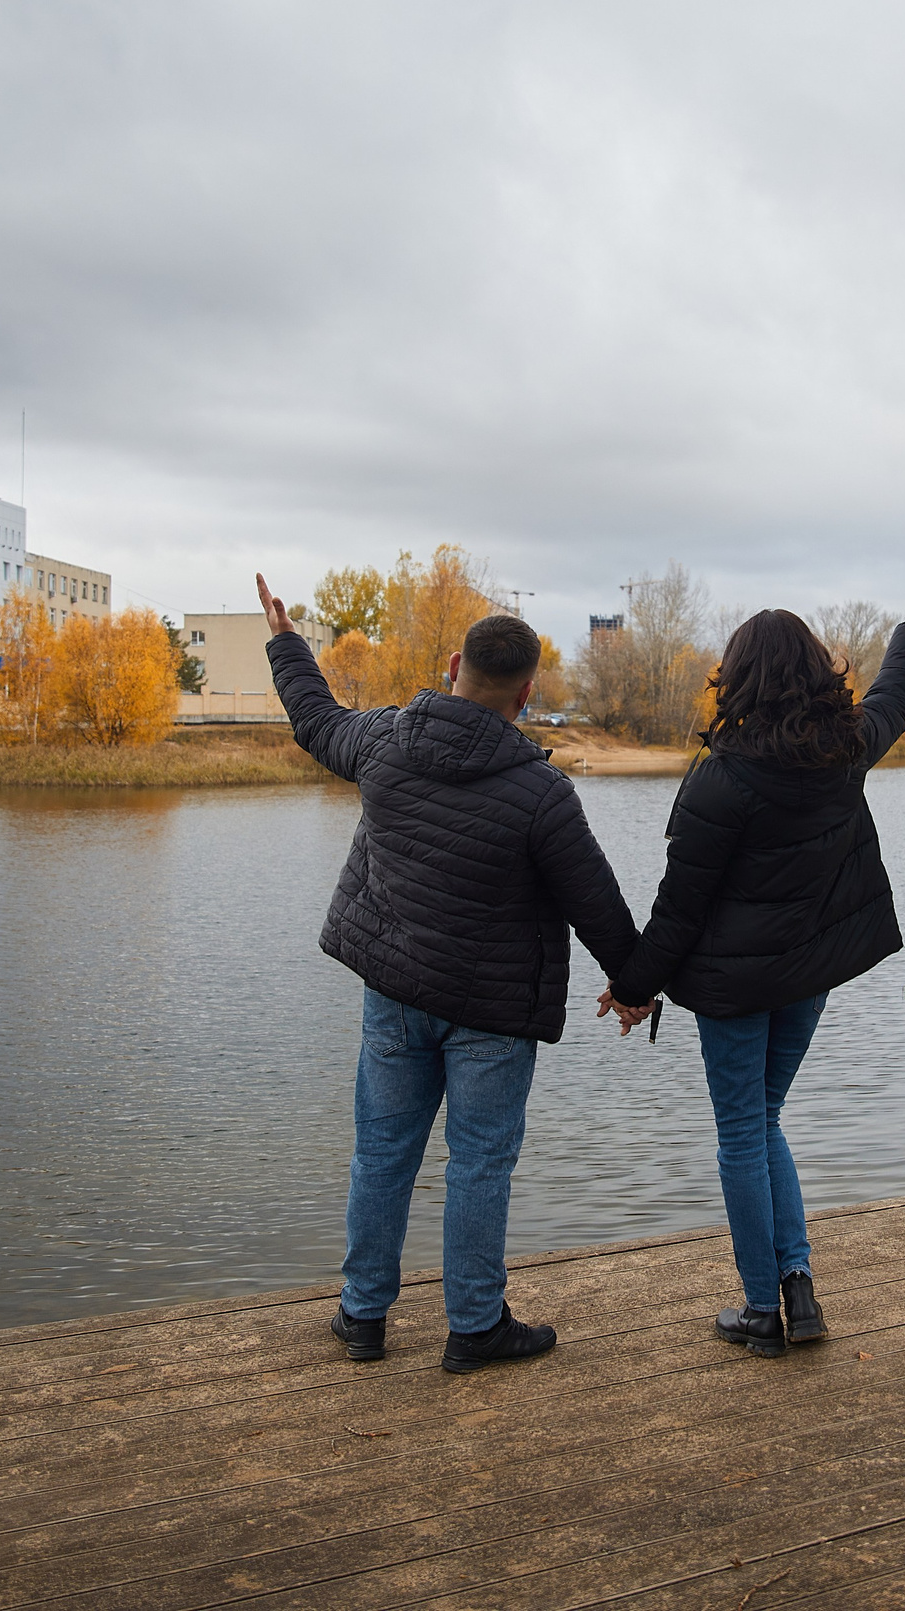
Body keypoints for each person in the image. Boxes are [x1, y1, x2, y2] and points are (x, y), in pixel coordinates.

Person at [258, 574, 643, 1373]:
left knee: (383, 1150)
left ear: (451, 663)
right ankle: (473, 1326)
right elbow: (599, 907)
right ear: (527, 693)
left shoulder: (385, 739)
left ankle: (362, 1315)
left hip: (396, 993)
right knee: (479, 1161)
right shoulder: (543, 794)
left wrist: (287, 641)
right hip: (492, 1016)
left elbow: (313, 718)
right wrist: (636, 986)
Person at [602, 593, 905, 1357]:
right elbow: (893, 696)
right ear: (810, 674)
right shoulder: (845, 750)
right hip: (806, 979)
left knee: (743, 1130)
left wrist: (633, 986)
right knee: (764, 1122)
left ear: (735, 680)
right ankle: (796, 1287)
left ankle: (763, 1307)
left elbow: (677, 912)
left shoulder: (720, 780)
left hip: (736, 992)